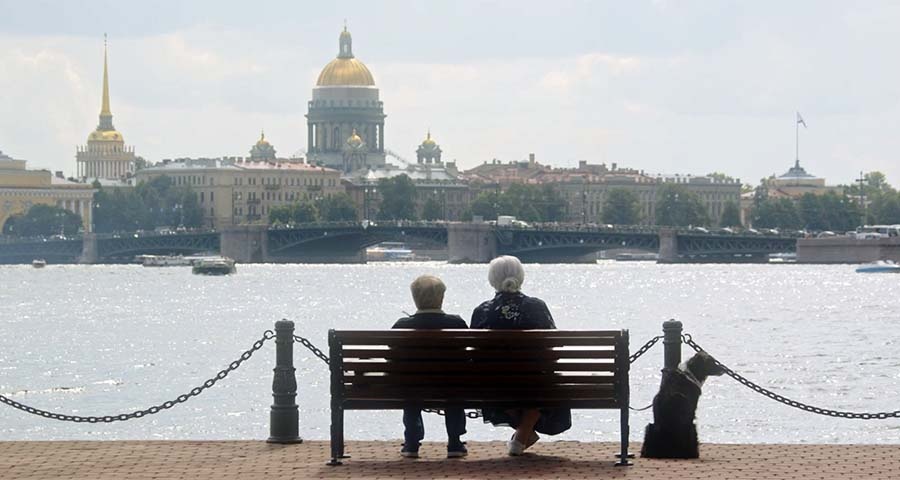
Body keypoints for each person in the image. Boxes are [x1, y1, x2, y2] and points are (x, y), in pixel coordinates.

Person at [470, 255, 572, 456]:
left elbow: (476, 355)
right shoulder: (536, 306)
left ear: (492, 279)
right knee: (544, 379)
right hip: (535, 385)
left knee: (492, 379)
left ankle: (523, 430)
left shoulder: (482, 311)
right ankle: (526, 428)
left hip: (495, 386)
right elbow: (553, 346)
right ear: (521, 277)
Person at [392, 274, 468, 459]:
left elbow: (394, 361)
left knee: (410, 388)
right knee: (454, 388)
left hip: (412, 387)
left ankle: (411, 443)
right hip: (451, 387)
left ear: (414, 298)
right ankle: (455, 442)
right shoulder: (456, 324)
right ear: (441, 298)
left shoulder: (401, 326)